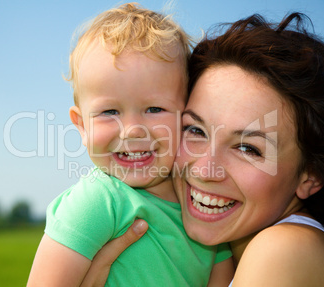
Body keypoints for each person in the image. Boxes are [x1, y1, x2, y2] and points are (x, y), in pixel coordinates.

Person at [79, 12, 324, 286]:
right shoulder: (223, 258)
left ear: (311, 175)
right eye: (195, 130)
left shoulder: (284, 250)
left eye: (248, 148)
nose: (205, 170)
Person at [27, 3, 233, 286]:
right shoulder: (99, 201)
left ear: (186, 116)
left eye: (154, 109)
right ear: (82, 126)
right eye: (110, 112)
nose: (133, 130)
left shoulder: (203, 205)